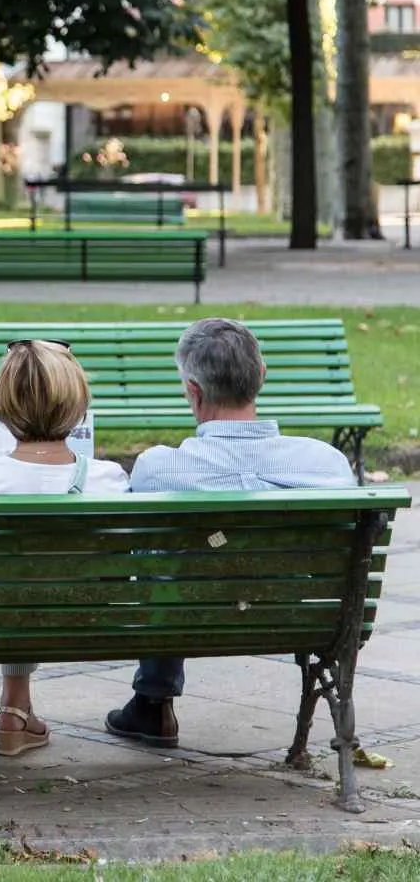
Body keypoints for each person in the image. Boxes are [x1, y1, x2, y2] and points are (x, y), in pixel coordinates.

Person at [104, 317, 357, 749]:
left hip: (189, 613)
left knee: (167, 571)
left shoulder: (159, 467)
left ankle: (153, 702)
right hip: (299, 616)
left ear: (194, 391)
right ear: (260, 377)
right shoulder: (327, 465)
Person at [0, 338, 129, 757]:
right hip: (87, 616)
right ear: (79, 407)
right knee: (32, 579)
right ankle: (16, 708)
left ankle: (13, 707)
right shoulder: (109, 481)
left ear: (2, 408)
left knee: (11, 583)